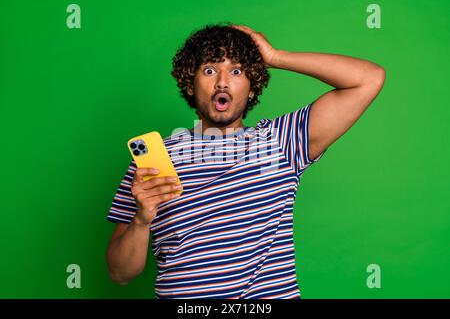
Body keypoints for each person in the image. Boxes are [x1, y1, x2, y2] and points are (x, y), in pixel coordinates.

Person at [105, 22, 385, 299]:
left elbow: (368, 78)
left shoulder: (282, 142)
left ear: (252, 89)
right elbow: (120, 274)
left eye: (237, 71)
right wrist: (141, 220)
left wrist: (276, 57)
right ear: (189, 84)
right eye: (210, 70)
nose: (222, 81)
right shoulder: (152, 160)